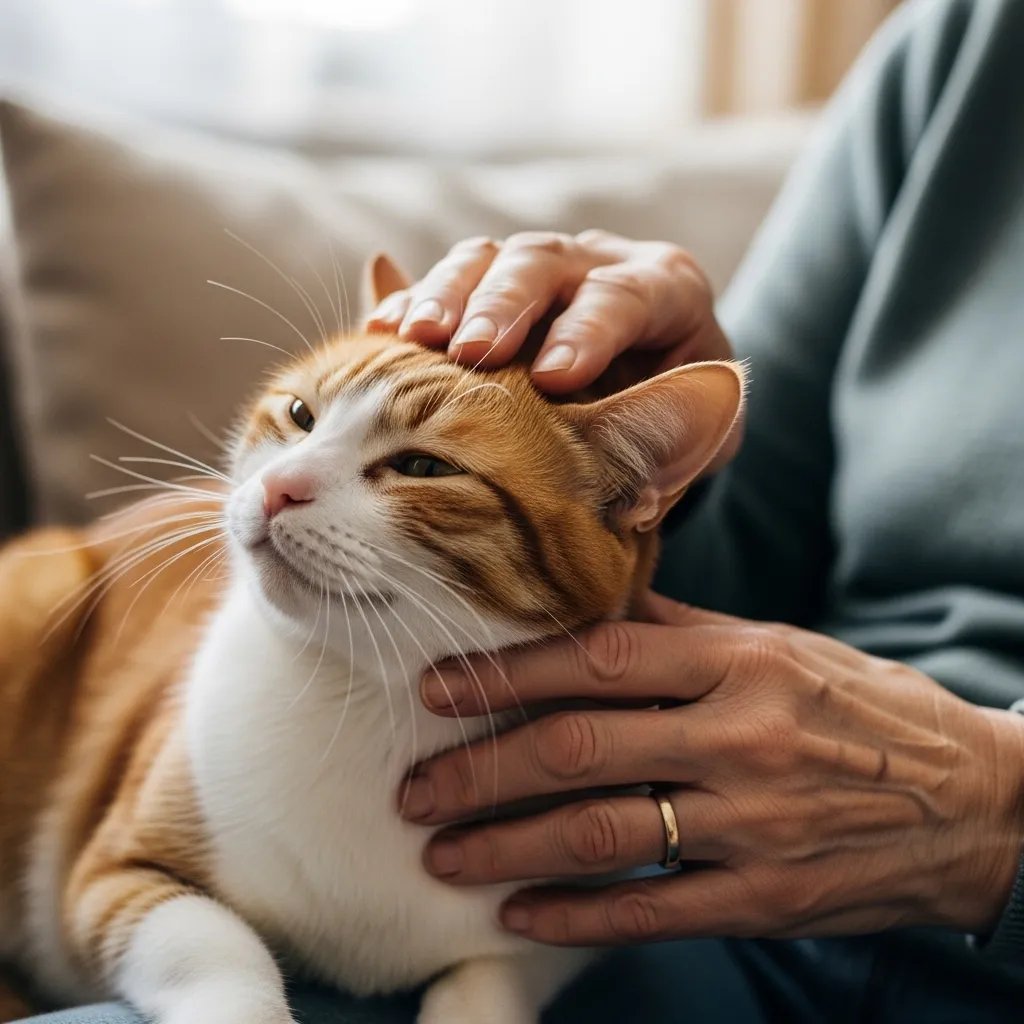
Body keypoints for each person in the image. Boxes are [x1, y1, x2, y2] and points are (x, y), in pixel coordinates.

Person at [29, 0, 1024, 1021]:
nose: (283, 485)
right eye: (298, 420)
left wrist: (999, 811)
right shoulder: (963, 46)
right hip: (705, 903)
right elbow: (735, 562)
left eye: (418, 465)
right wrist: (633, 451)